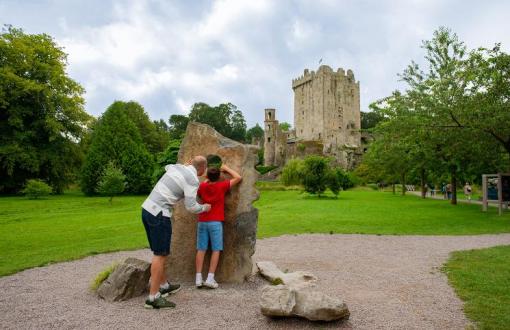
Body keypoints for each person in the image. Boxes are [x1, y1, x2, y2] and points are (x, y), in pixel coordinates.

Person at [141, 156, 211, 309]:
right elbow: (191, 206)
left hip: (147, 209)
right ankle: (153, 298)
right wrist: (205, 207)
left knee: (158, 252)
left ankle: (164, 285)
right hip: (159, 214)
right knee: (160, 254)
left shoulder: (176, 167)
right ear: (202, 169)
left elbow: (168, 167)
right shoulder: (193, 179)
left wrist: (184, 165)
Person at [195, 164, 242, 289]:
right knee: (216, 249)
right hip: (215, 222)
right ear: (219, 176)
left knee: (201, 249)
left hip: (202, 220)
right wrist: (226, 168)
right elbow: (238, 177)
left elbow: (200, 193)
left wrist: (206, 179)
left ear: (207, 176)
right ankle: (210, 278)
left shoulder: (203, 186)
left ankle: (198, 278)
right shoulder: (221, 186)